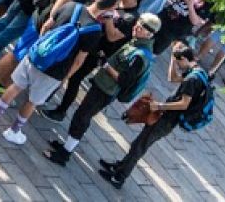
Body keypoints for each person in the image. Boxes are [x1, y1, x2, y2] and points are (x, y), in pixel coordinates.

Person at [46, 11, 158, 162]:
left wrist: (105, 65)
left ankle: (65, 153)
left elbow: (124, 80)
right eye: (139, 23)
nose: (137, 27)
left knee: (82, 116)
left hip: (106, 90)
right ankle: (66, 146)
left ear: (150, 34)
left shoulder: (140, 56)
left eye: (143, 27)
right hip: (103, 85)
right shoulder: (137, 42)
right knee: (82, 114)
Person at [96, 41, 211, 187]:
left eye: (178, 62)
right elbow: (173, 79)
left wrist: (160, 106)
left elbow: (184, 103)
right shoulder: (198, 72)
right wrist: (172, 59)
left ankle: (119, 177)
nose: (178, 65)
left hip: (167, 120)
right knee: (139, 143)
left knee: (139, 146)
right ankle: (120, 167)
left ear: (184, 59)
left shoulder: (192, 80)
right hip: (165, 116)